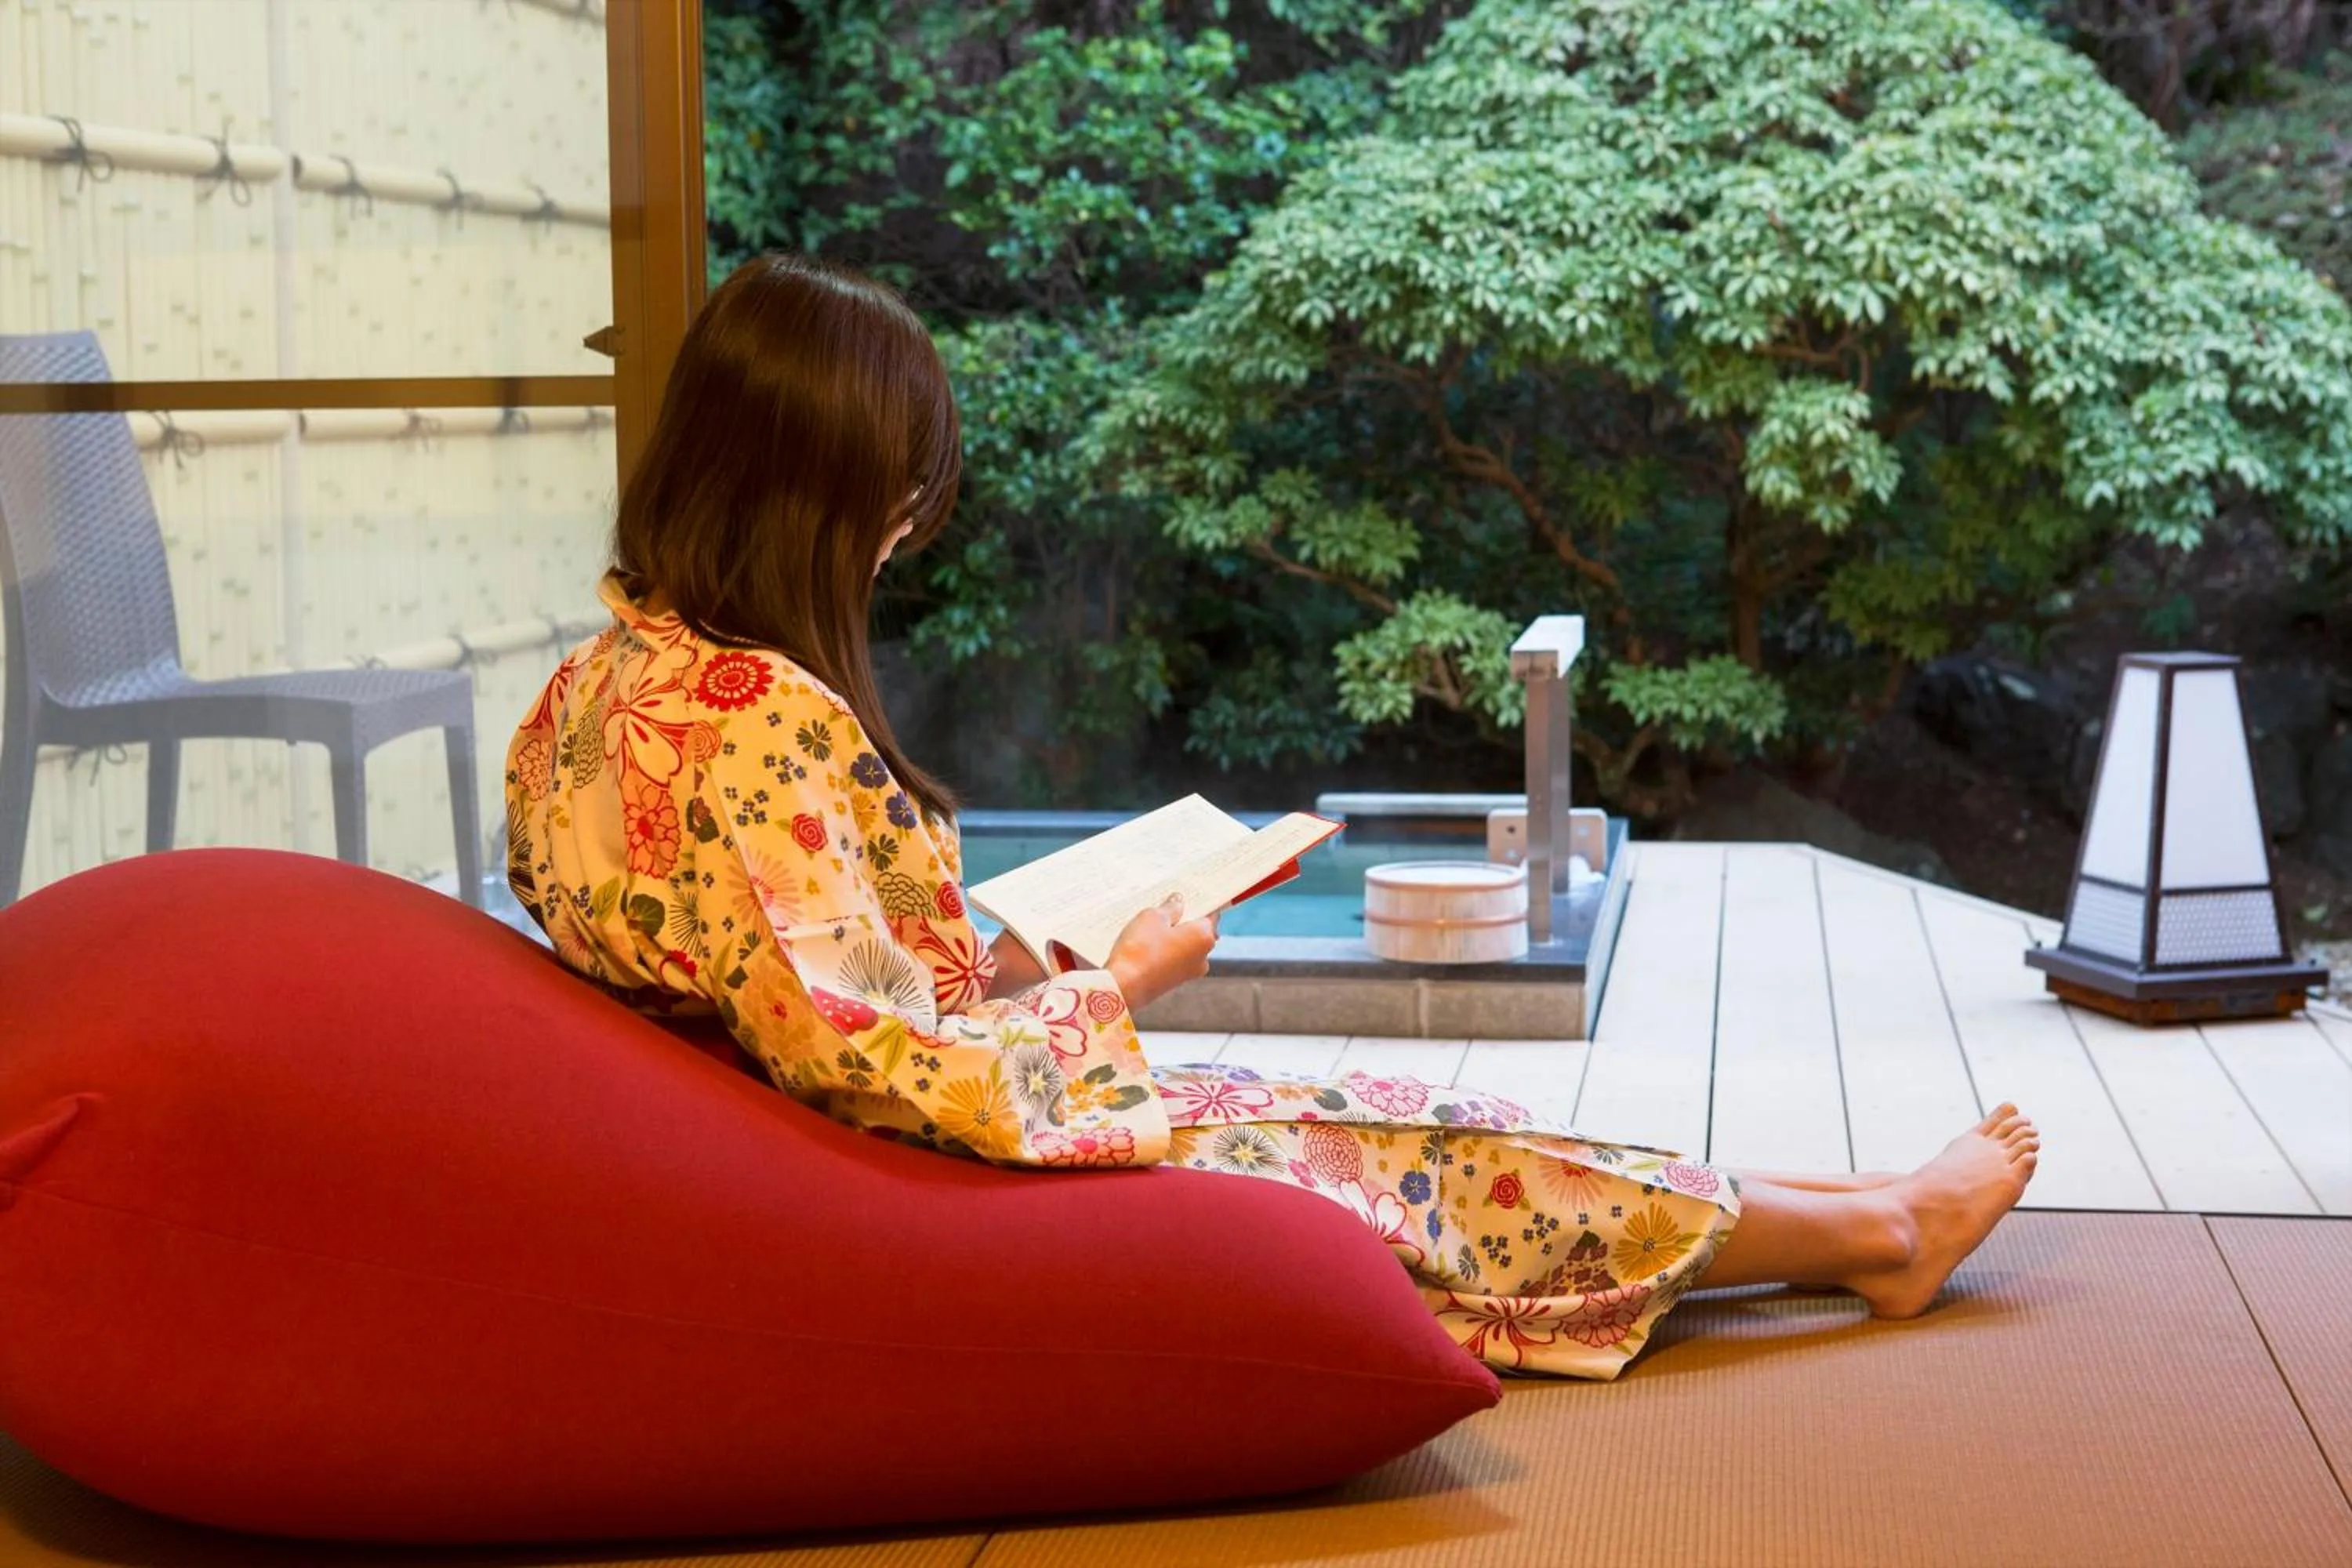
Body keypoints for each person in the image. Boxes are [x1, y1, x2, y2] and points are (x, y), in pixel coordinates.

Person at [506, 253, 2039, 1381]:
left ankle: (1852, 1200)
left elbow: (798, 986)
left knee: (1406, 1105)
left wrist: (1030, 976)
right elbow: (895, 1066)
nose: (906, 534)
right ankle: (1884, 1243)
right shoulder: (764, 720)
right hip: (922, 1180)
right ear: (824, 498)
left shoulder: (592, 689)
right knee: (1403, 1155)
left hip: (827, 1139)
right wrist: (1135, 977)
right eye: (898, 499)